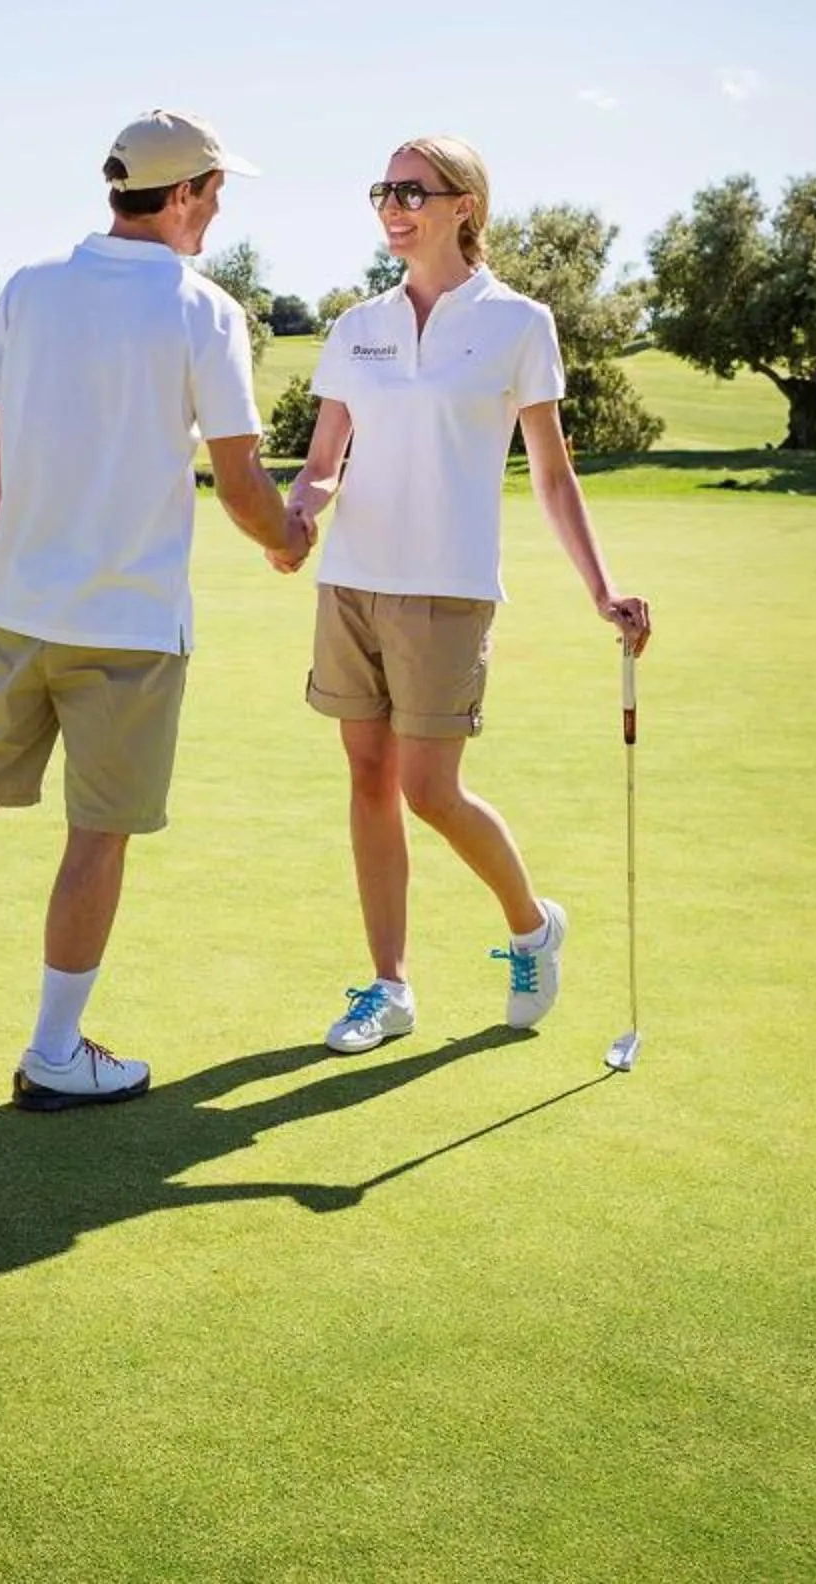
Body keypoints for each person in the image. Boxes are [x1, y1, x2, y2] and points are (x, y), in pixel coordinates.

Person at [0, 111, 312, 1110]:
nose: (219, 208)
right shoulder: (204, 310)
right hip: (129, 630)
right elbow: (240, 482)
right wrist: (291, 534)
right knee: (97, 833)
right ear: (180, 195)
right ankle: (54, 1052)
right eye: (215, 191)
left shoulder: (29, 290)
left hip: (16, 610)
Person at [284, 135, 651, 1054]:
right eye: (383, 190)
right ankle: (389, 987)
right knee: (367, 780)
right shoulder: (355, 325)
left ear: (465, 205)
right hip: (352, 586)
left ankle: (532, 924)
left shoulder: (518, 323)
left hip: (446, 590)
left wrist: (602, 589)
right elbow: (324, 461)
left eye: (414, 190)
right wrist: (297, 515)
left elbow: (554, 474)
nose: (393, 206)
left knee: (429, 790)